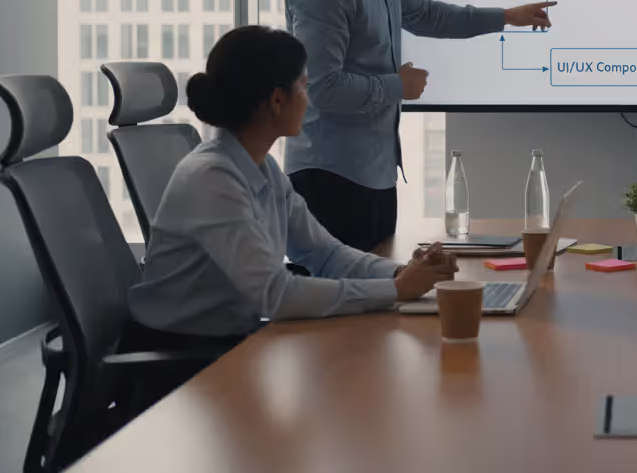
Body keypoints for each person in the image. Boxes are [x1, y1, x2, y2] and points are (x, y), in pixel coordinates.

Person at [285, 0, 557, 251]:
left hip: (375, 176)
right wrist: (398, 85)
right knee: (341, 291)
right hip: (330, 180)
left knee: (379, 287)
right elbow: (321, 88)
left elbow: (428, 15)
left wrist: (507, 17)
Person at [127, 26, 457, 356]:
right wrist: (395, 290)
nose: (308, 98)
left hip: (228, 342)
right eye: (303, 85)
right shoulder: (212, 179)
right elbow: (275, 294)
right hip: (180, 356)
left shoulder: (264, 168)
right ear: (277, 100)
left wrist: (402, 273)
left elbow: (325, 254)